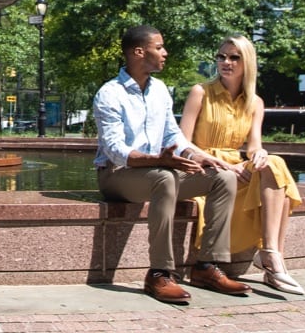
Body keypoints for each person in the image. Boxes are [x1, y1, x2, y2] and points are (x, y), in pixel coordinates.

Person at [93, 25, 251, 304]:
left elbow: (172, 136)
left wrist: (198, 155)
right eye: (159, 47)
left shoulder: (160, 90)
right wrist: (158, 160)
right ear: (139, 52)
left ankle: (206, 267)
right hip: (117, 176)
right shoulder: (110, 93)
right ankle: (160, 273)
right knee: (164, 177)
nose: (165, 53)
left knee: (222, 178)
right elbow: (114, 149)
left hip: (157, 172)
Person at [179, 34, 303, 295]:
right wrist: (221, 164)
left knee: (274, 163)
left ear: (247, 62)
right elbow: (183, 143)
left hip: (238, 167)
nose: (227, 62)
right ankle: (272, 259)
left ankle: (270, 252)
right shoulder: (201, 92)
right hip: (206, 167)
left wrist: (260, 154)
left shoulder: (255, 102)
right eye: (222, 56)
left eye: (234, 57)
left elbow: (254, 145)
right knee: (276, 173)